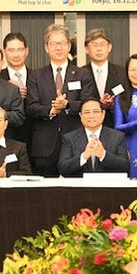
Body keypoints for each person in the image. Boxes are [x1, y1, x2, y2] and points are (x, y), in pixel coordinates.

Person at [26, 24, 95, 177]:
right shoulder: (35, 76)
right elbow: (31, 107)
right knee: (45, 196)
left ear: (69, 46)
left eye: (62, 43)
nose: (58, 47)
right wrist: (51, 110)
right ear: (46, 47)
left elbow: (88, 104)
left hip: (75, 142)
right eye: (54, 43)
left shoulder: (83, 74)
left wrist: (67, 104)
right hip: (44, 145)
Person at [58, 98, 129, 177]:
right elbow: (63, 169)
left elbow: (125, 167)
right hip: (79, 187)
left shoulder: (117, 136)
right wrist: (84, 156)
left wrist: (103, 155)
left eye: (95, 112)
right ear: (81, 116)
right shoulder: (69, 138)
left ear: (103, 114)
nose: (91, 116)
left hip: (108, 186)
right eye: (87, 112)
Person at [84, 28, 125, 128]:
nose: (99, 49)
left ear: (109, 47)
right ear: (86, 49)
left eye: (102, 44)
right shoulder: (80, 73)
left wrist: (113, 104)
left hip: (115, 127)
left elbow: (127, 100)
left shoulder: (122, 72)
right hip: (88, 128)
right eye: (94, 45)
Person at [0, 32, 32, 144]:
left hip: (34, 140)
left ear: (26, 51)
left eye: (20, 50)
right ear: (4, 52)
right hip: (6, 137)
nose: (16, 54)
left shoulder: (37, 77)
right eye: (11, 50)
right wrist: (6, 90)